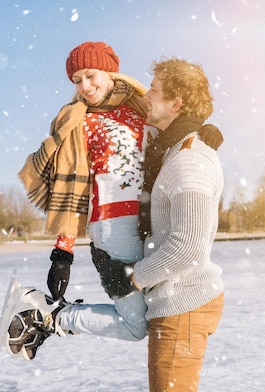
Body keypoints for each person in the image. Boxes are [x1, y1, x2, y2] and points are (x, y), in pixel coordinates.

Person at [92, 58, 225, 392]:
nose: (145, 96)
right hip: (176, 299)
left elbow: (188, 248)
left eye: (154, 90)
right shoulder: (169, 148)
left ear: (176, 103)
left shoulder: (189, 160)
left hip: (184, 302)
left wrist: (131, 277)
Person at [9, 41, 157, 360]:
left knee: (161, 312)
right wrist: (63, 252)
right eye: (77, 81)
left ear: (109, 71)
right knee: (137, 324)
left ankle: (50, 317)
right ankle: (51, 317)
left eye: (90, 76)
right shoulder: (78, 121)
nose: (85, 87)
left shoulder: (145, 108)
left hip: (152, 224)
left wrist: (198, 132)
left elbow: (172, 135)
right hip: (112, 229)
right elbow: (75, 189)